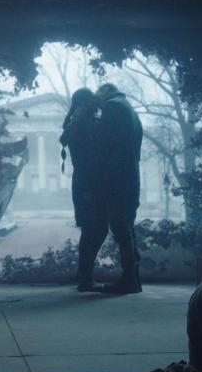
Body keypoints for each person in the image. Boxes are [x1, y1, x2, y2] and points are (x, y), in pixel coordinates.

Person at [94, 83, 143, 294]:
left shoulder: (112, 106)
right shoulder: (129, 108)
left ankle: (129, 280)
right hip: (130, 175)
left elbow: (103, 142)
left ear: (105, 91)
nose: (96, 102)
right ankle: (133, 279)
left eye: (97, 96)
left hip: (118, 177)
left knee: (121, 229)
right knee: (127, 229)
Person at [59, 88, 107, 291]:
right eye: (93, 101)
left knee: (92, 230)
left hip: (85, 183)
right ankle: (85, 277)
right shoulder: (82, 125)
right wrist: (89, 190)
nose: (97, 104)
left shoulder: (77, 124)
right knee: (95, 229)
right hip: (88, 184)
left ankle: (84, 275)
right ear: (85, 104)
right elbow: (87, 160)